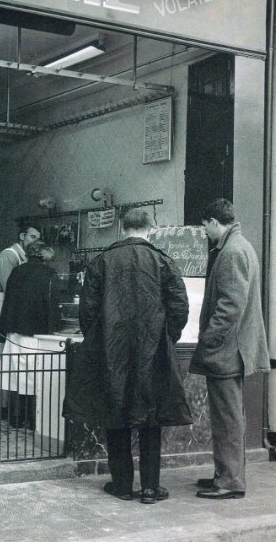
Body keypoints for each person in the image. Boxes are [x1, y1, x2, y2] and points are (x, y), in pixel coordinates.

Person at [63, 208, 191, 504]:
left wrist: (99, 340)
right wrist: (165, 338)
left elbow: (88, 311)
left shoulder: (102, 261)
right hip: (153, 350)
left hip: (112, 349)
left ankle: (121, 485)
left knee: (115, 413)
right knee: (151, 418)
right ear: (152, 227)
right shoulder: (162, 261)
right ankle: (149, 488)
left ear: (122, 227)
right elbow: (179, 308)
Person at [190, 199, 270, 500]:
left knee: (228, 418)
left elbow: (230, 305)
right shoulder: (239, 246)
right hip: (232, 348)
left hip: (227, 350)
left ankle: (231, 482)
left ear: (213, 221)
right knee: (229, 416)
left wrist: (210, 337)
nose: (204, 232)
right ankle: (224, 475)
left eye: (204, 226)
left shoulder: (233, 251)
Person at [0, 240, 60, 429]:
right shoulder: (50, 274)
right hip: (36, 333)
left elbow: (7, 301)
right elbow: (53, 305)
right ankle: (34, 420)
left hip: (14, 330)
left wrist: (2, 331)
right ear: (45, 255)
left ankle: (15, 418)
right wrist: (54, 328)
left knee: (14, 375)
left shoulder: (17, 271)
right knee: (35, 376)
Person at [0, 223, 41, 360]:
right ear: (22, 236)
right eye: (32, 237)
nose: (35, 241)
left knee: (3, 348)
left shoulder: (24, 257)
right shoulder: (8, 255)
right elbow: (9, 286)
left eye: (38, 238)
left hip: (8, 303)